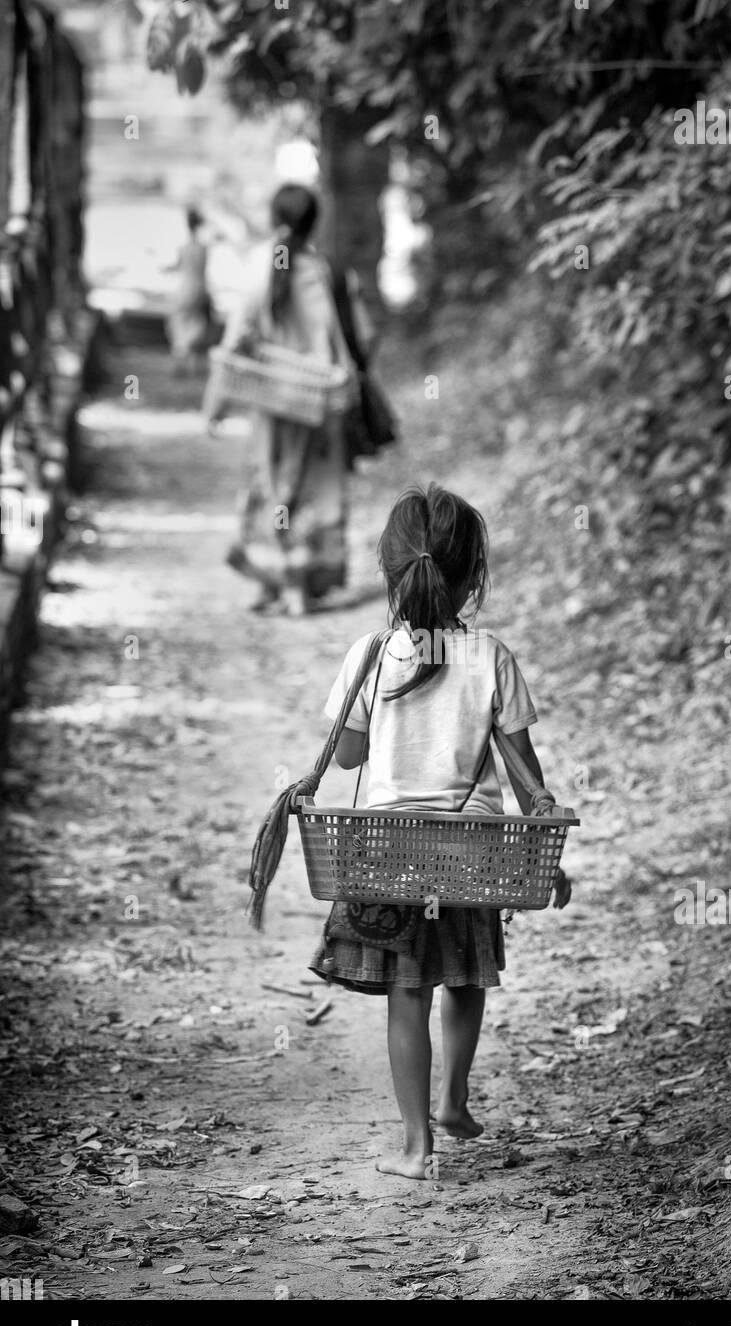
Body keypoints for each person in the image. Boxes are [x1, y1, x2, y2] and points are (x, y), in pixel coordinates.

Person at [308, 483, 572, 1178]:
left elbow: (350, 756)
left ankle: (416, 1144)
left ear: (390, 573)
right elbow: (527, 780)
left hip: (390, 856)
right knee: (464, 978)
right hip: (474, 857)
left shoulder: (369, 655)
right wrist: (550, 860)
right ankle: (454, 1102)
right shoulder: (491, 657)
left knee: (408, 994)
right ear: (472, 577)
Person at [219, 184, 362, 616]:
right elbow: (349, 342)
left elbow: (234, 340)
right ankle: (299, 588)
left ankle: (271, 582)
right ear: (313, 221)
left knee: (270, 487)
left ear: (272, 216)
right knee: (310, 492)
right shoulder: (324, 271)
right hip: (317, 403)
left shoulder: (258, 264)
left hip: (269, 400)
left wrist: (217, 403)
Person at [167, 206, 214, 371]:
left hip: (186, 290)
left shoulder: (184, 248)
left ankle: (182, 352)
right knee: (198, 324)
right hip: (201, 289)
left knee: (180, 324)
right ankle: (191, 358)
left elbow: (178, 266)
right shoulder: (203, 248)